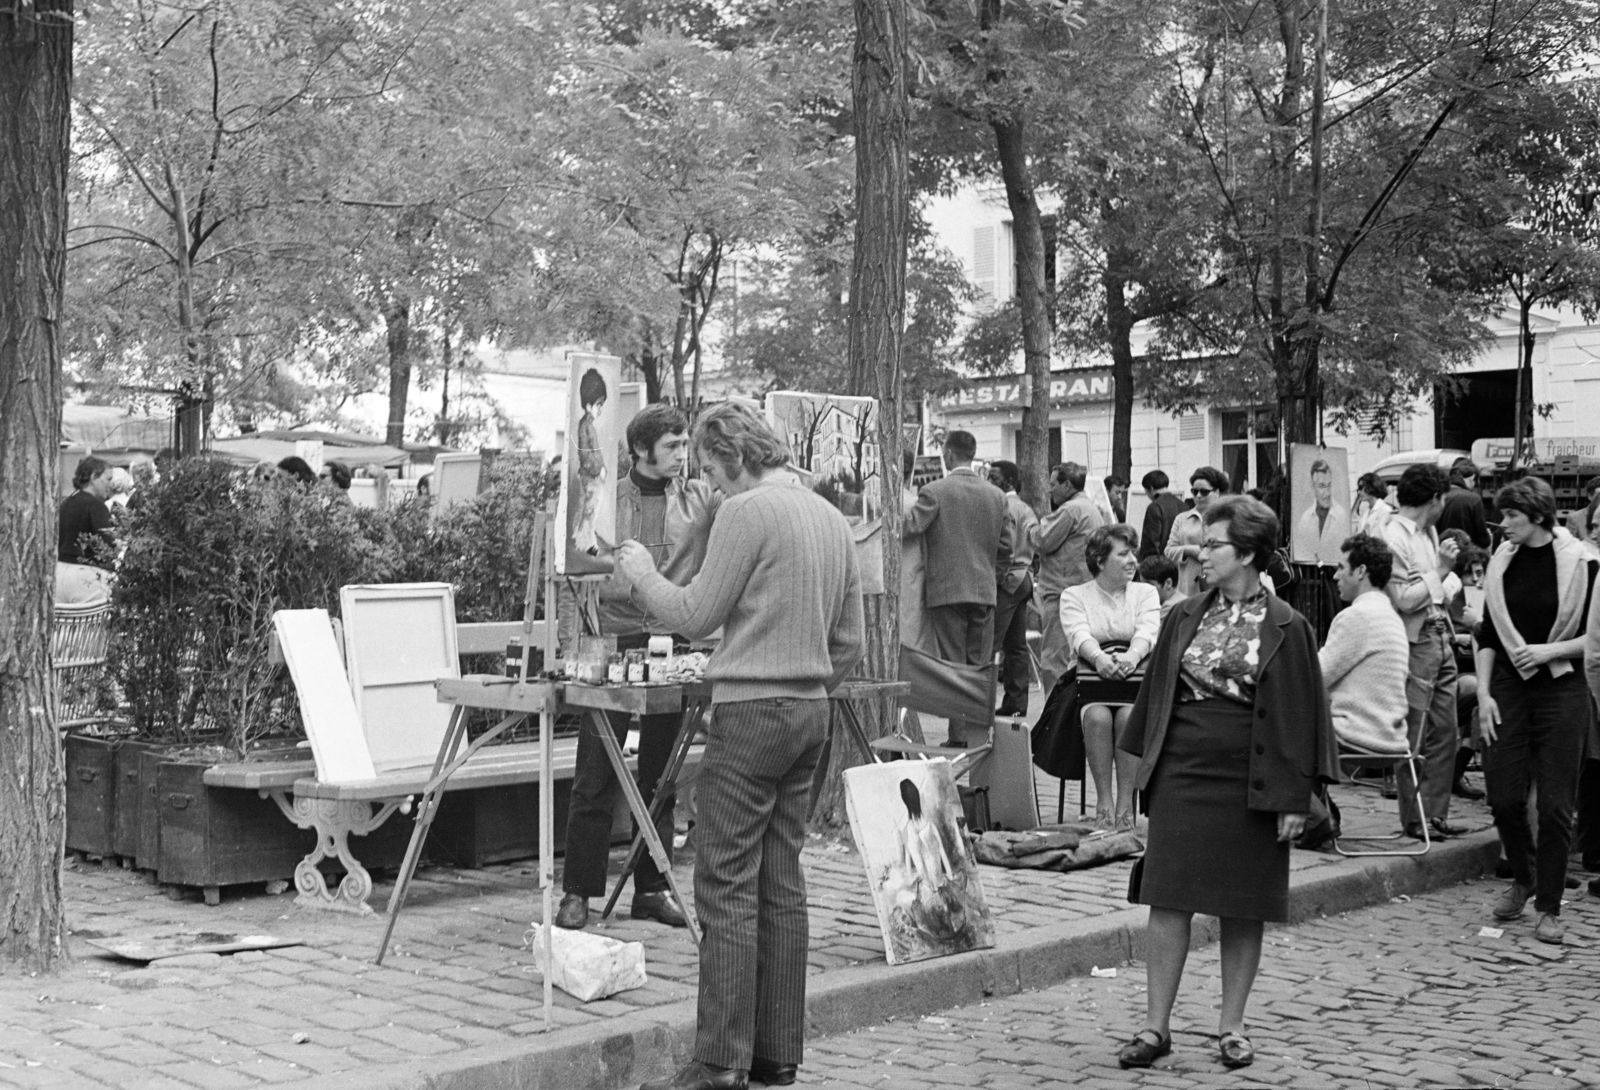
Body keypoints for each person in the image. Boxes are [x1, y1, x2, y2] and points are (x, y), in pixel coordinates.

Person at [618, 401, 864, 1090]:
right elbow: (851, 644)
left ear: (730, 456)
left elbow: (695, 614)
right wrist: (804, 679)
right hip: (811, 711)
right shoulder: (827, 516)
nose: (711, 484)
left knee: (725, 882)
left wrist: (640, 571)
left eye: (711, 470)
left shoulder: (747, 512)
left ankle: (720, 1059)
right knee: (780, 878)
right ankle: (776, 1053)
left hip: (751, 710)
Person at [1115, 496, 1338, 1071]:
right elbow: (1157, 693)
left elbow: (1303, 713)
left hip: (1255, 777)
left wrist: (1296, 795)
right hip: (1184, 772)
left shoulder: (1290, 626)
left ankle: (1232, 1027)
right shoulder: (1185, 614)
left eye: (1212, 545)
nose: (1200, 553)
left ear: (1246, 553)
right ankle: (1154, 1028)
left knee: (1245, 905)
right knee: (1167, 899)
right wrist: (1145, 772)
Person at [557, 404, 719, 933]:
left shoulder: (697, 497)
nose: (682, 454)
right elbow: (573, 564)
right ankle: (578, 891)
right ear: (642, 450)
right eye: (672, 446)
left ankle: (651, 887)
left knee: (662, 771)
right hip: (613, 639)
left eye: (685, 444)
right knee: (596, 771)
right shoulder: (603, 499)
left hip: (673, 638)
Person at [1480, 477, 1595, 946]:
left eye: (1511, 515)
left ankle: (1548, 906)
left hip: (1562, 687)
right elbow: (1489, 633)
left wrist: (1549, 652)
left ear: (1538, 517)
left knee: (1555, 804)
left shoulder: (1582, 563)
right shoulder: (1499, 563)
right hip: (1508, 685)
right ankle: (1524, 876)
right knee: (1503, 797)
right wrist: (1484, 694)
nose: (1503, 523)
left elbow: (1597, 635)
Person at [904, 431, 1011, 746]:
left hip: (947, 591)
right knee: (980, 665)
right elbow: (1007, 548)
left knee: (952, 665)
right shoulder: (996, 495)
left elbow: (910, 526)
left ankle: (958, 736)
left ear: (949, 454)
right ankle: (979, 733)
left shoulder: (934, 491)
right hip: (984, 591)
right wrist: (993, 576)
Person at [1383, 463, 1467, 841]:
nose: (1444, 505)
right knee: (1415, 732)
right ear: (1433, 498)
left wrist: (1446, 576)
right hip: (1416, 643)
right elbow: (1402, 599)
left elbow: (1433, 591)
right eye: (1443, 498)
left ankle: (1435, 812)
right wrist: (1442, 570)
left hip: (1439, 636)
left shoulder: (1429, 531)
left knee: (1446, 729)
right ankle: (1414, 817)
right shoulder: (1393, 537)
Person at [1060, 525, 1160, 829]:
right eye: (1123, 553)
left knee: (1129, 718)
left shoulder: (1145, 592)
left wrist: (1131, 657)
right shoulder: (1074, 595)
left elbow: (1148, 629)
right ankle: (1103, 801)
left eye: (1133, 553)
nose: (1133, 560)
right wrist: (1099, 659)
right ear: (1100, 560)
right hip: (1092, 682)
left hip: (1136, 679)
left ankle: (1124, 805)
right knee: (1098, 718)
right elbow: (1078, 632)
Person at [1034, 462, 1104, 694]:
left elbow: (1041, 540)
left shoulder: (1069, 511)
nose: (1049, 490)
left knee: (1054, 659)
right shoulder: (1091, 508)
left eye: (1053, 484)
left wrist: (1027, 524)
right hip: (1081, 589)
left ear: (1067, 485)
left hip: (1062, 591)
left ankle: (1053, 718)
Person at [987, 459, 1038, 716]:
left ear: (1008, 482)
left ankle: (980, 705)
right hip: (1024, 579)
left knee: (990, 644)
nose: (988, 481)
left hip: (1007, 581)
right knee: (1015, 645)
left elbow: (1003, 548)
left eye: (993, 478)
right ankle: (1016, 704)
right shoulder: (1025, 508)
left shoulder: (1002, 505)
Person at [57, 456, 117, 605]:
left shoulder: (65, 503)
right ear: (93, 477)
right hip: (86, 577)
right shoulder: (96, 505)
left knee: (64, 627)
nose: (111, 485)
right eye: (108, 479)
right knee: (97, 626)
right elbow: (108, 545)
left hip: (58, 573)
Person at [1164, 467, 1228, 596]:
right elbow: (1168, 551)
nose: (1198, 496)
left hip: (1219, 584)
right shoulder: (1182, 519)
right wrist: (1188, 550)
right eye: (1194, 491)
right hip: (1187, 588)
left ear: (1217, 492)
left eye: (1204, 492)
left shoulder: (1228, 518)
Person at [573, 369, 609, 553]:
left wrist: (602, 467)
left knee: (592, 510)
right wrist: (598, 469)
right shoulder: (584, 427)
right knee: (589, 509)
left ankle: (587, 541)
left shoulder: (589, 426)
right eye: (598, 404)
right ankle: (585, 542)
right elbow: (585, 455)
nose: (601, 408)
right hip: (590, 476)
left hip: (594, 475)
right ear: (588, 405)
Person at [1292, 458, 1350, 566]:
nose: (1327, 493)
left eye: (1329, 485)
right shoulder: (1305, 519)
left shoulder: (1341, 515)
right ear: (1313, 488)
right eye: (1322, 486)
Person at [1437, 457, 1491, 549]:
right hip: (1465, 556)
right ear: (1473, 477)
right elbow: (1483, 540)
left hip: (1440, 553)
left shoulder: (1438, 496)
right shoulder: (1474, 499)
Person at [1138, 470, 1185, 562]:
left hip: (1161, 565)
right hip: (1180, 561)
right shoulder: (1183, 505)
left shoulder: (1154, 507)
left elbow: (1150, 543)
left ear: (1150, 489)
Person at [1138, 554, 1185, 618]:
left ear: (1168, 583)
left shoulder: (1170, 608)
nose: (1143, 591)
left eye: (1149, 585)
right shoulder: (1183, 600)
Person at [1353, 472, 1393, 536]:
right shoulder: (1366, 511)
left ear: (1371, 487)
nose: (1358, 492)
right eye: (1358, 489)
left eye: (1361, 488)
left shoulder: (1385, 510)